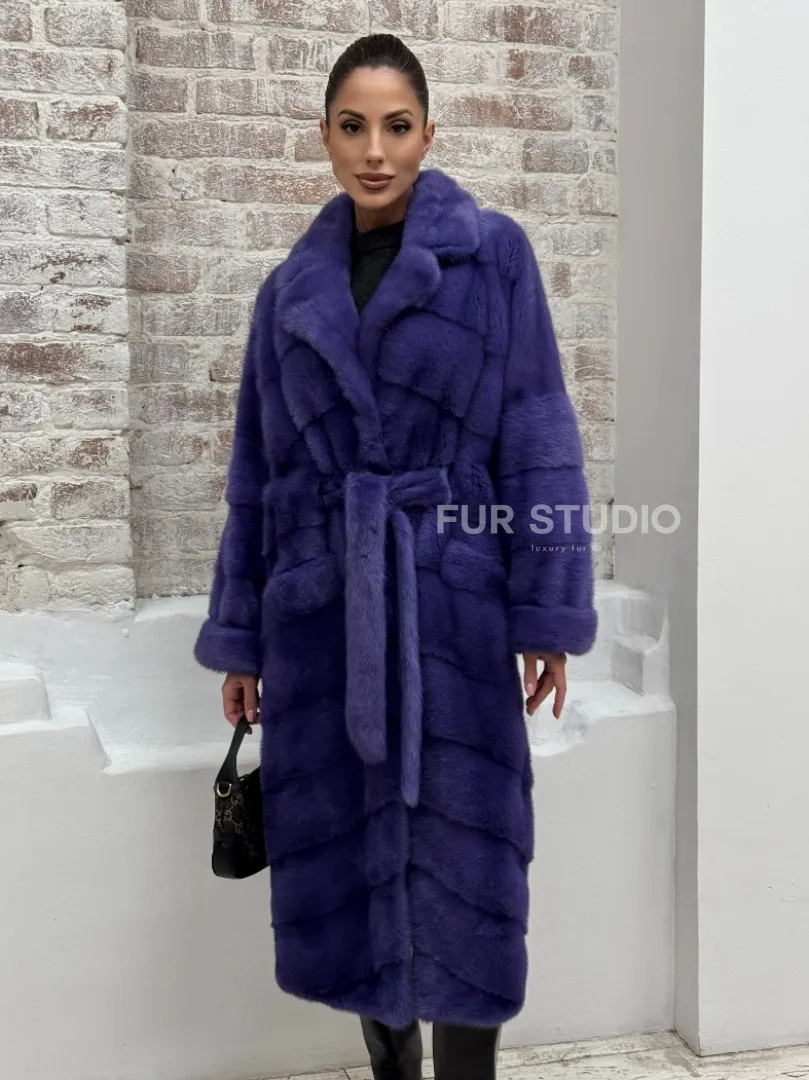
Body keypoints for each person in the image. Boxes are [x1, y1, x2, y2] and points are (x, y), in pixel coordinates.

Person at [193, 32, 597, 1080]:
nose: (374, 150)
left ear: (427, 133)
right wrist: (242, 639)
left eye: (396, 125)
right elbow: (258, 475)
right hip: (321, 619)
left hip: (451, 608)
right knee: (348, 890)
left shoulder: (492, 257)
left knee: (466, 869)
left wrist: (546, 613)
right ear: (325, 135)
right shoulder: (286, 295)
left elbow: (537, 436)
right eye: (352, 126)